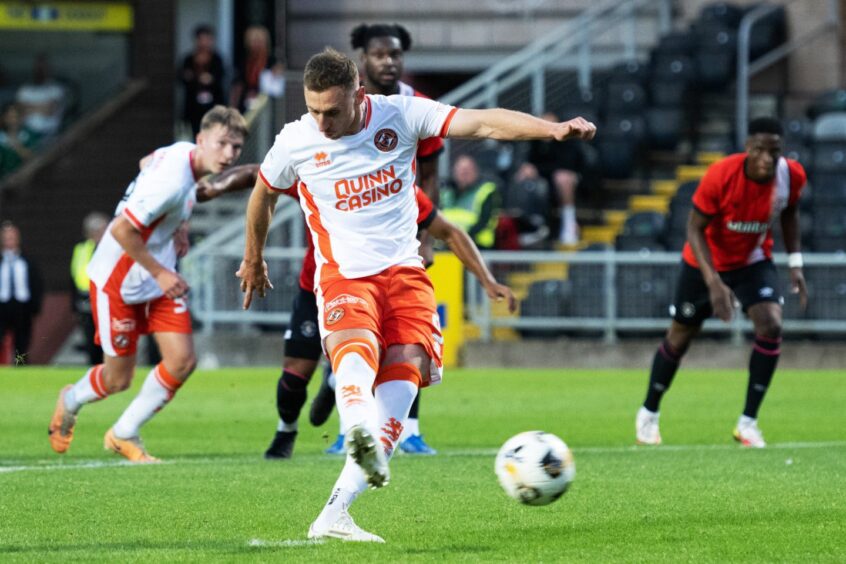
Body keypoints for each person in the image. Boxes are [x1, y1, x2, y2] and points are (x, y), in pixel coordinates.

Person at [238, 48, 594, 542]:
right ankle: (357, 427)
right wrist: (253, 258)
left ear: (359, 95)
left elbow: (484, 123)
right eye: (314, 109)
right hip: (344, 275)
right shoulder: (296, 140)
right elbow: (262, 194)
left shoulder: (400, 115)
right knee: (356, 351)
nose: (321, 122)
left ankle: (334, 515)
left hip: (405, 274)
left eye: (332, 111)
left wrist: (550, 130)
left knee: (403, 389)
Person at [48, 106, 248, 463]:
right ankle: (71, 399)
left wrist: (178, 224)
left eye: (236, 147)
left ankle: (124, 433)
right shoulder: (171, 183)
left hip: (156, 280)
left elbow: (145, 162)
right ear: (202, 140)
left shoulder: (179, 154)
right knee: (116, 380)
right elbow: (123, 229)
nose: (229, 155)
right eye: (222, 144)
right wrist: (160, 272)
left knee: (182, 361)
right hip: (119, 281)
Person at [262, 183, 516, 460]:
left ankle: (358, 430)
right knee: (295, 375)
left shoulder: (396, 183)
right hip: (318, 287)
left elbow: (448, 230)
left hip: (375, 292)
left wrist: (487, 280)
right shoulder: (317, 170)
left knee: (394, 358)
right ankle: (288, 428)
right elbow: (264, 182)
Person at [307, 22, 447, 456]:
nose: (389, 61)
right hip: (347, 232)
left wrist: (425, 235)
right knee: (355, 334)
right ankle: (347, 416)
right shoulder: (333, 110)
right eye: (380, 54)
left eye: (396, 55)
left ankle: (409, 430)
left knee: (408, 333)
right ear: (361, 62)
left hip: (398, 233)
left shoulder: (414, 106)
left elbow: (430, 175)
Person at [635, 117, 807, 449]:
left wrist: (796, 263)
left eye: (775, 152)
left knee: (771, 325)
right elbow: (694, 229)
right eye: (759, 150)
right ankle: (649, 412)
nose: (767, 159)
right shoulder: (720, 175)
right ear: (747, 149)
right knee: (681, 335)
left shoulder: (791, 175)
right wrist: (713, 283)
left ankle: (748, 423)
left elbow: (790, 213)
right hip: (704, 262)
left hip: (752, 260)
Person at [514, 111, 593, 245]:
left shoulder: (568, 141)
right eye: (544, 124)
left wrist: (537, 170)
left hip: (573, 180)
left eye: (551, 124)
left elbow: (565, 166)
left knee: (562, 177)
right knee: (521, 174)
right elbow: (532, 162)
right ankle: (530, 225)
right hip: (545, 180)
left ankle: (569, 224)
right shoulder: (536, 142)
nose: (547, 128)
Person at [0, 221, 43, 365]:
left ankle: (21, 368)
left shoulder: (27, 261)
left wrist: (35, 306)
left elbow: (36, 284)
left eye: (12, 237)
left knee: (22, 342)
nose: (9, 241)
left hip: (22, 307)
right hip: (2, 306)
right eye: (6, 237)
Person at [70, 212, 110, 365]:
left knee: (107, 341)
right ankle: (94, 372)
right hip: (86, 301)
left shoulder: (112, 249)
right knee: (90, 340)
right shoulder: (81, 249)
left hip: (106, 299)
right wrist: (74, 304)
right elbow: (74, 277)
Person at [441, 154, 500, 250]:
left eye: (468, 171)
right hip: (447, 246)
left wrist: (460, 239)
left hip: (477, 246)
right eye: (461, 170)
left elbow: (485, 221)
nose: (464, 174)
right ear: (454, 172)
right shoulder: (445, 192)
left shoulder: (486, 191)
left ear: (476, 172)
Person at [179, 25, 227, 136]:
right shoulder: (188, 59)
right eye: (201, 39)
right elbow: (182, 77)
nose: (204, 43)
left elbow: (220, 77)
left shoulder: (217, 59)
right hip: (193, 108)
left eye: (207, 39)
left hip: (214, 106)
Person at [230, 25, 283, 113]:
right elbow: (238, 84)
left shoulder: (272, 61)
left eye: (259, 41)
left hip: (265, 103)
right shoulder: (244, 60)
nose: (256, 45)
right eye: (253, 41)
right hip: (246, 101)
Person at [15, 53, 66, 138]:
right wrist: (42, 107)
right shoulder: (24, 90)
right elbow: (19, 112)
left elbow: (49, 110)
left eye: (43, 67)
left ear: (50, 69)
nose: (40, 70)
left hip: (50, 135)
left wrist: (29, 107)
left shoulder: (56, 89)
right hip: (27, 134)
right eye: (38, 67)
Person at [0, 103, 41, 177]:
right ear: (3, 118)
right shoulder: (1, 138)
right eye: (9, 117)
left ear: (22, 117)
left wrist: (17, 147)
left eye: (16, 117)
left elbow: (36, 158)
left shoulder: (30, 134)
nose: (13, 120)